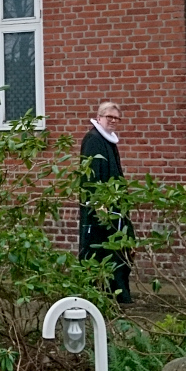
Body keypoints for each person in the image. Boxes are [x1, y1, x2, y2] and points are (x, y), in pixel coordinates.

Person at [78, 101, 134, 304]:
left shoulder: (109, 141)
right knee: (96, 250)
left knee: (119, 249)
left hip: (115, 207)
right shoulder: (93, 140)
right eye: (109, 117)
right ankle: (93, 294)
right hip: (99, 209)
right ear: (99, 117)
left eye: (116, 118)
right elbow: (90, 176)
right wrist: (99, 205)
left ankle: (118, 293)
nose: (113, 121)